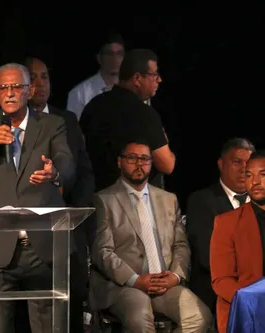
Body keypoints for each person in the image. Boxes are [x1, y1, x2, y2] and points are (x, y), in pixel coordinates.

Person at [0, 63, 75, 333]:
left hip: (42, 247)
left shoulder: (52, 125)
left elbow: (68, 162)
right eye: (3, 88)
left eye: (16, 87)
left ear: (29, 91)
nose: (9, 93)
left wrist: (54, 172)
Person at [90, 139, 211, 332]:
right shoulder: (104, 200)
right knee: (140, 319)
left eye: (145, 159)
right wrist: (135, 280)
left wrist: (175, 276)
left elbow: (181, 245)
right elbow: (102, 251)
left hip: (165, 283)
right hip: (125, 285)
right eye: (132, 158)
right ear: (120, 162)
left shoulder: (168, 199)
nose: (139, 164)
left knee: (199, 317)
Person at [25, 56, 95, 333]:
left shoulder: (66, 119)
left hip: (67, 222)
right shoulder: (10, 124)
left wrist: (78, 211)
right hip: (29, 225)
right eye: (32, 78)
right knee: (39, 306)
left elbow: (84, 170)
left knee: (73, 298)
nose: (40, 84)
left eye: (44, 77)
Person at [80, 49, 175, 192]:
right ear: (137, 78)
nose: (159, 79)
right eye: (154, 75)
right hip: (131, 200)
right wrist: (165, 141)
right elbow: (168, 165)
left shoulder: (94, 105)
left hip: (95, 197)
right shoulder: (143, 113)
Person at [186, 138, 254, 319]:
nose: (244, 169)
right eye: (237, 162)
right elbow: (209, 258)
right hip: (217, 290)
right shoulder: (201, 201)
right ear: (221, 164)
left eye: (248, 163)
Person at [210, 150, 265, 333]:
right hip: (247, 312)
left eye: (262, 175)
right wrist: (253, 302)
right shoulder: (227, 222)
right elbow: (221, 280)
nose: (254, 182)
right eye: (248, 175)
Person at [66, 33, 125, 120]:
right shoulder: (79, 93)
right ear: (99, 58)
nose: (115, 59)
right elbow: (73, 129)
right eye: (110, 53)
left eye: (119, 54)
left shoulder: (132, 88)